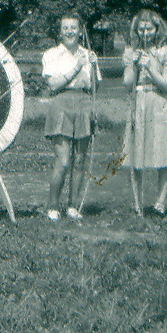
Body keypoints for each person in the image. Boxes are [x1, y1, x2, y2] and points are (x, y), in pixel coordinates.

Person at [121, 8, 167, 217]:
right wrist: (136, 66)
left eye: (149, 29)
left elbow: (166, 84)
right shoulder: (130, 52)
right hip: (138, 102)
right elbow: (127, 83)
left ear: (157, 29)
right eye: (141, 29)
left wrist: (151, 67)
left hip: (158, 102)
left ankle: (160, 203)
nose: (145, 33)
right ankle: (137, 202)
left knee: (163, 154)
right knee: (137, 153)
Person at [41, 12, 101, 221]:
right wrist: (77, 67)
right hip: (61, 105)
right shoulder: (51, 54)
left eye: (73, 27)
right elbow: (53, 85)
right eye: (65, 28)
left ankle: (73, 206)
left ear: (79, 30)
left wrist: (92, 65)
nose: (69, 31)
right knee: (64, 161)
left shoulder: (87, 54)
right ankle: (52, 206)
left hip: (84, 105)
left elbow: (94, 86)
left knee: (80, 161)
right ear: (60, 31)